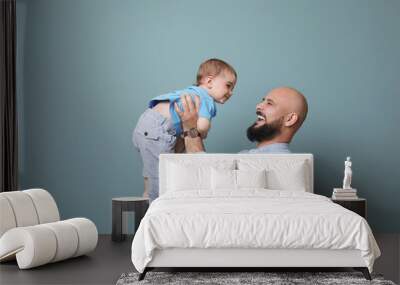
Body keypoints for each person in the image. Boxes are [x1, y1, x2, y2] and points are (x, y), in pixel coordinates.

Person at [133, 58, 237, 202]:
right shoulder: (206, 99)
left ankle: (146, 196)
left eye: (233, 89)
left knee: (152, 173)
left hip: (146, 122)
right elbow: (201, 127)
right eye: (228, 86)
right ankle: (156, 208)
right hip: (160, 128)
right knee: (164, 179)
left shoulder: (190, 91)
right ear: (209, 82)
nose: (231, 92)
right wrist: (205, 131)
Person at [175, 86, 308, 153]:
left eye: (269, 103)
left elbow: (203, 176)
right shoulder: (250, 156)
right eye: (262, 101)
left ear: (290, 119)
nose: (258, 106)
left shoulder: (279, 162)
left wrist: (191, 129)